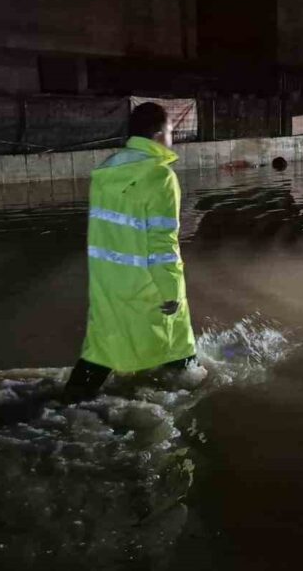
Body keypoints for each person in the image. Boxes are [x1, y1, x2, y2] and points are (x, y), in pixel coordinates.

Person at [63, 102, 196, 402]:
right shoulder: (160, 176)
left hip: (107, 280)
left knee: (103, 344)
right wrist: (172, 290)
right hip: (146, 283)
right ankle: (194, 392)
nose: (173, 137)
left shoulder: (108, 170)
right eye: (172, 131)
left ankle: (67, 401)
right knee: (177, 345)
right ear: (160, 135)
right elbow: (163, 243)